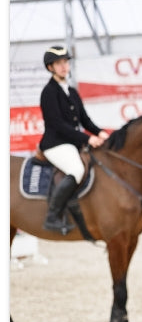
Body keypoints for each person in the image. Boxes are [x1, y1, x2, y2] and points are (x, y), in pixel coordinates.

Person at [39, 45, 109, 234]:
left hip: (72, 142)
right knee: (76, 170)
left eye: (65, 62)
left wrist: (100, 132)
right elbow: (58, 125)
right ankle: (52, 217)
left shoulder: (71, 91)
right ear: (50, 68)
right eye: (58, 63)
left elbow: (85, 120)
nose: (64, 66)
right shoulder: (49, 92)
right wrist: (87, 139)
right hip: (55, 144)